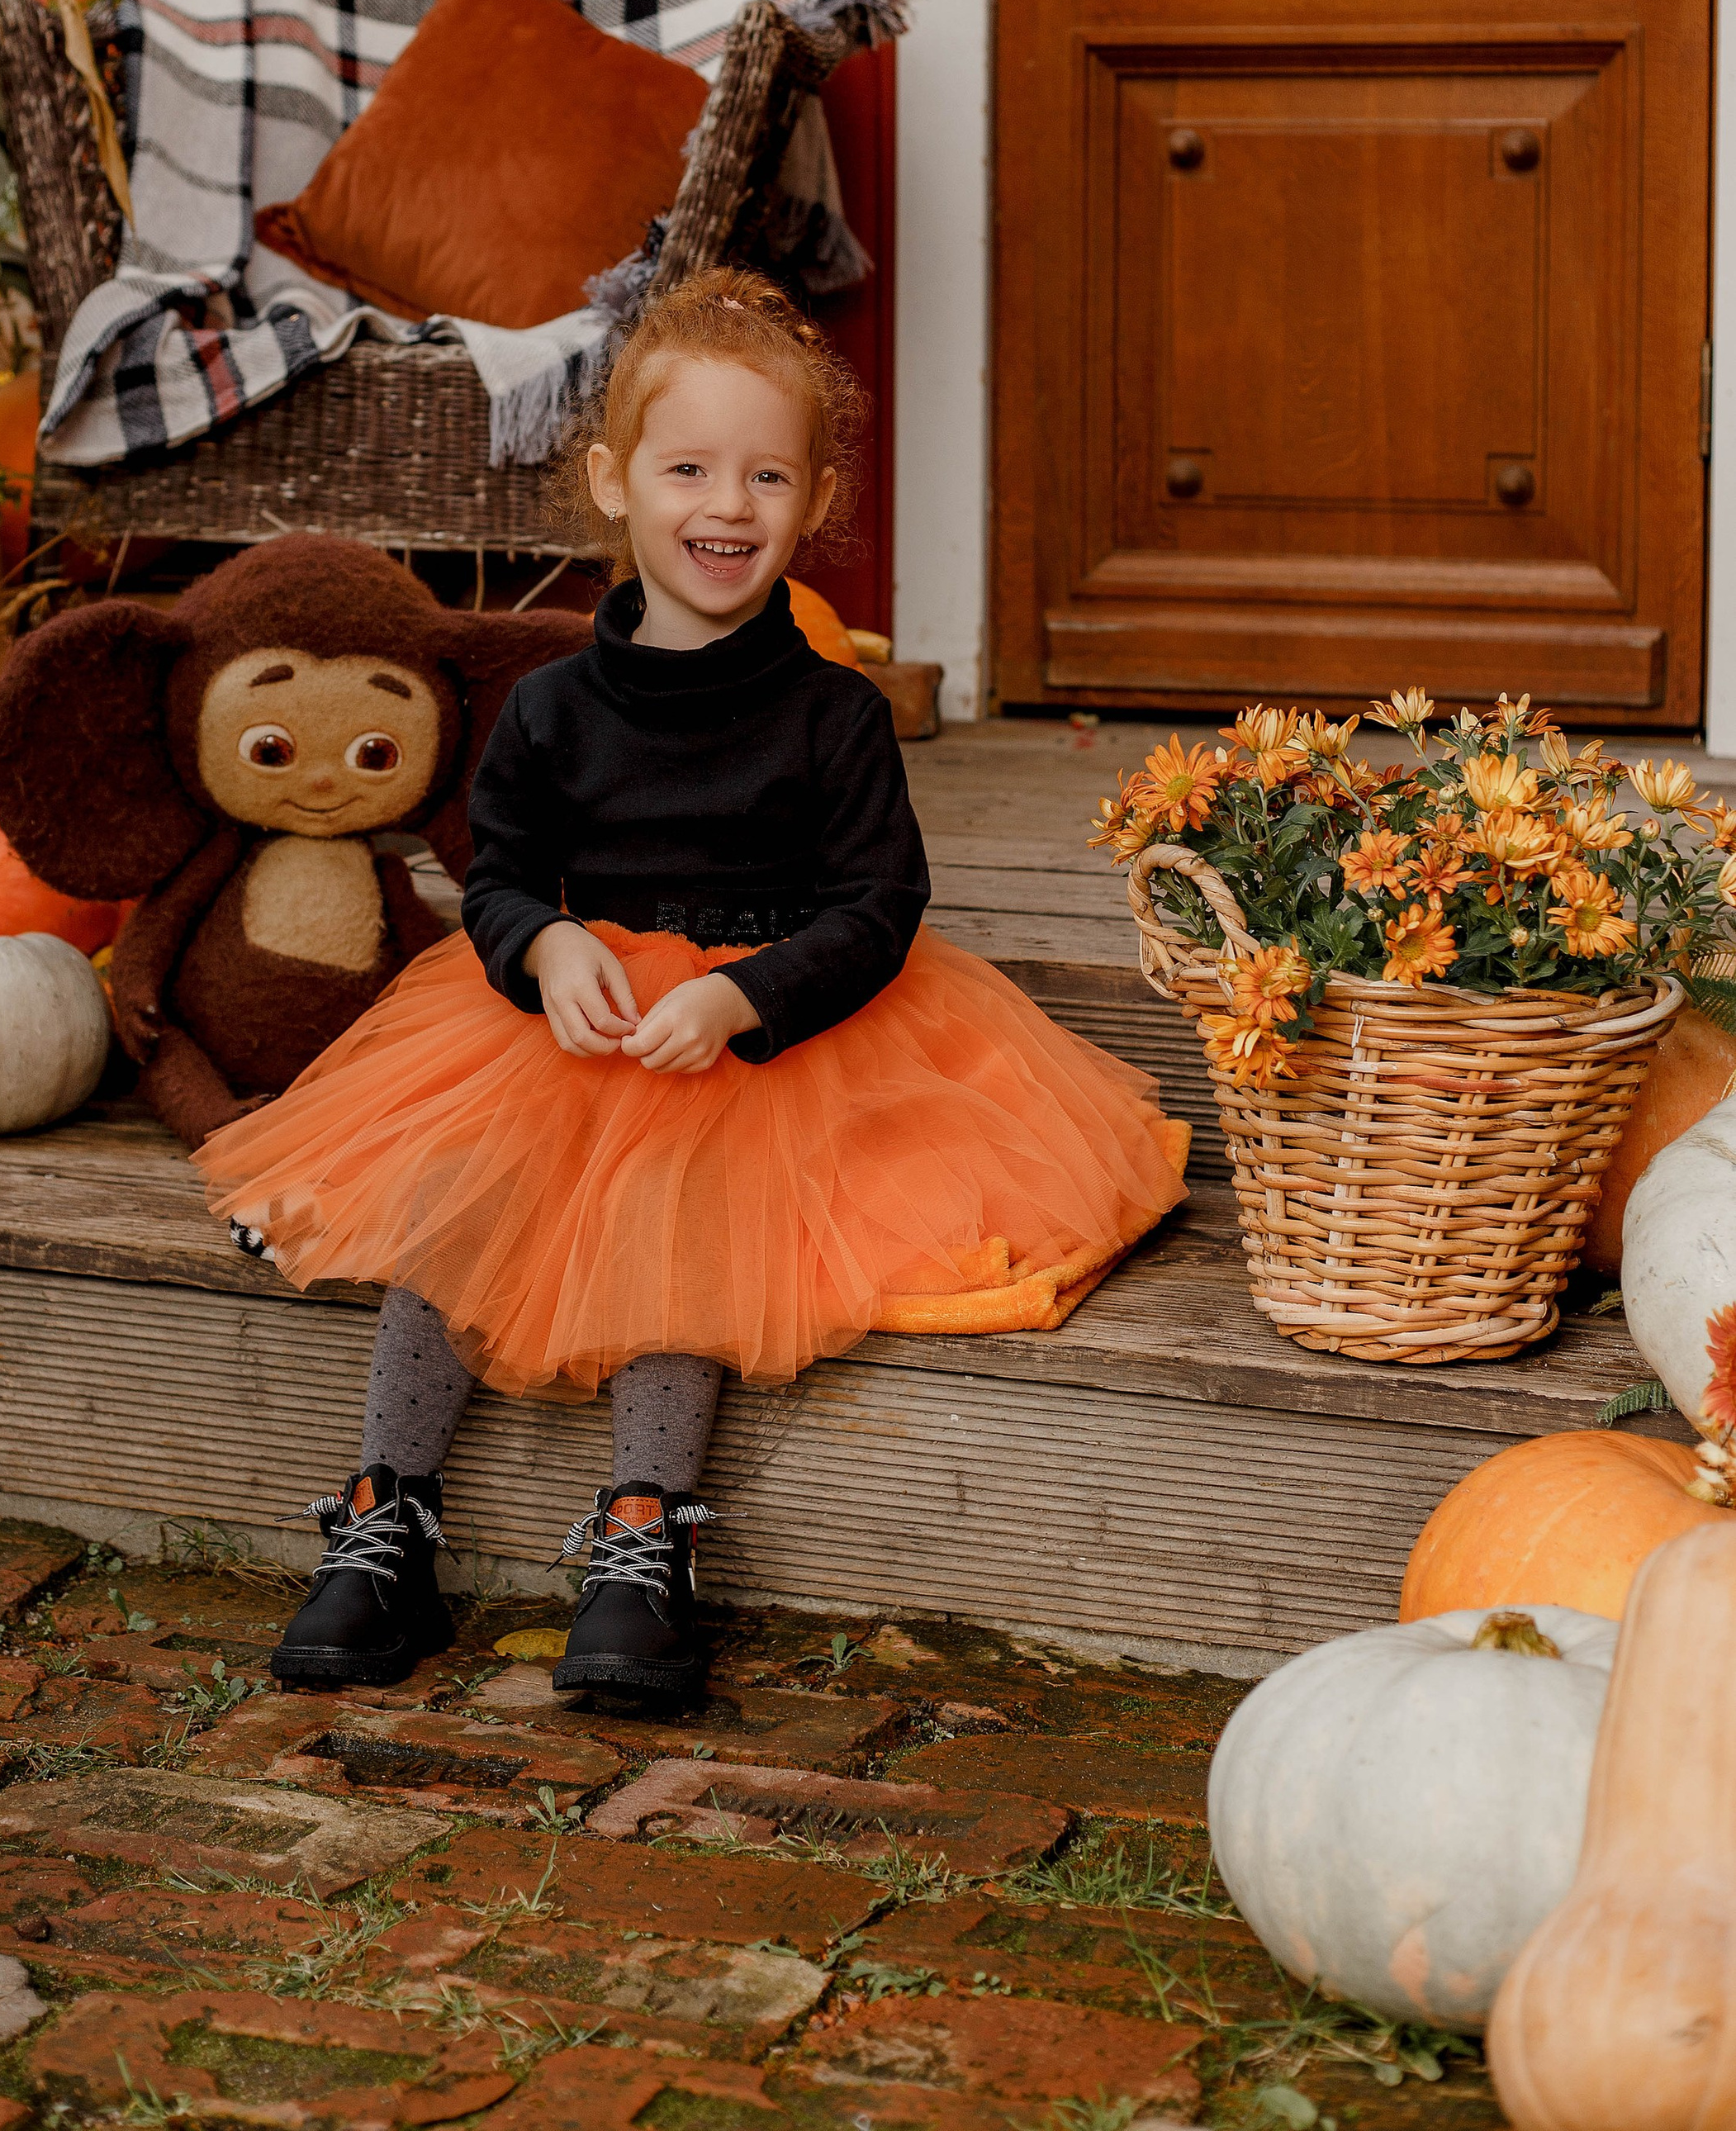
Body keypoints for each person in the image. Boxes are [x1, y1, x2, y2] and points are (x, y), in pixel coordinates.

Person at [196, 269, 1188, 1703]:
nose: (727, 503)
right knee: (455, 1193)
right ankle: (382, 1523)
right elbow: (495, 879)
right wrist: (545, 946)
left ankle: (646, 1542)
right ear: (614, 481)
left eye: (767, 473)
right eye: (688, 468)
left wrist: (743, 999)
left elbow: (881, 906)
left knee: (681, 1212)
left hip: (767, 1034)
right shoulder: (547, 709)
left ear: (814, 499)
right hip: (574, 1021)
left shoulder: (835, 713)